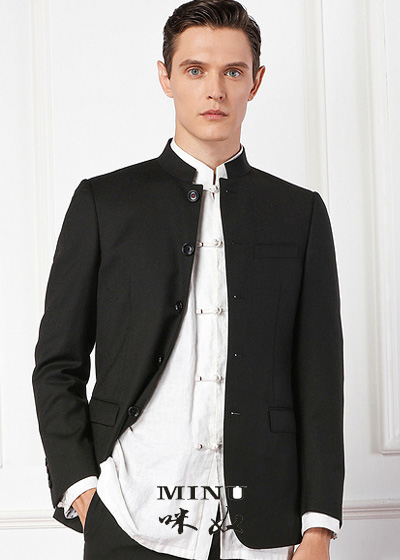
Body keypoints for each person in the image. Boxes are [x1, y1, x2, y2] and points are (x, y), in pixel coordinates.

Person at [32, 1, 345, 559]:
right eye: (195, 70)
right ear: (166, 78)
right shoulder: (104, 203)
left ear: (256, 82)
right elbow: (58, 364)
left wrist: (317, 527)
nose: (215, 91)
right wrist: (82, 491)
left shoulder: (299, 214)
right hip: (129, 516)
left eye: (233, 72)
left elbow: (320, 380)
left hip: (261, 528)